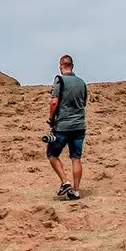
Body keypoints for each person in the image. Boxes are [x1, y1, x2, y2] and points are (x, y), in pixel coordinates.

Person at [45, 55, 87, 200]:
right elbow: (84, 103)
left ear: (61, 66)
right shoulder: (82, 83)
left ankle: (65, 182)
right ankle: (76, 191)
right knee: (76, 158)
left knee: (52, 154)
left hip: (63, 125)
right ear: (72, 66)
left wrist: (51, 119)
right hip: (80, 125)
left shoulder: (59, 80)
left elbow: (54, 102)